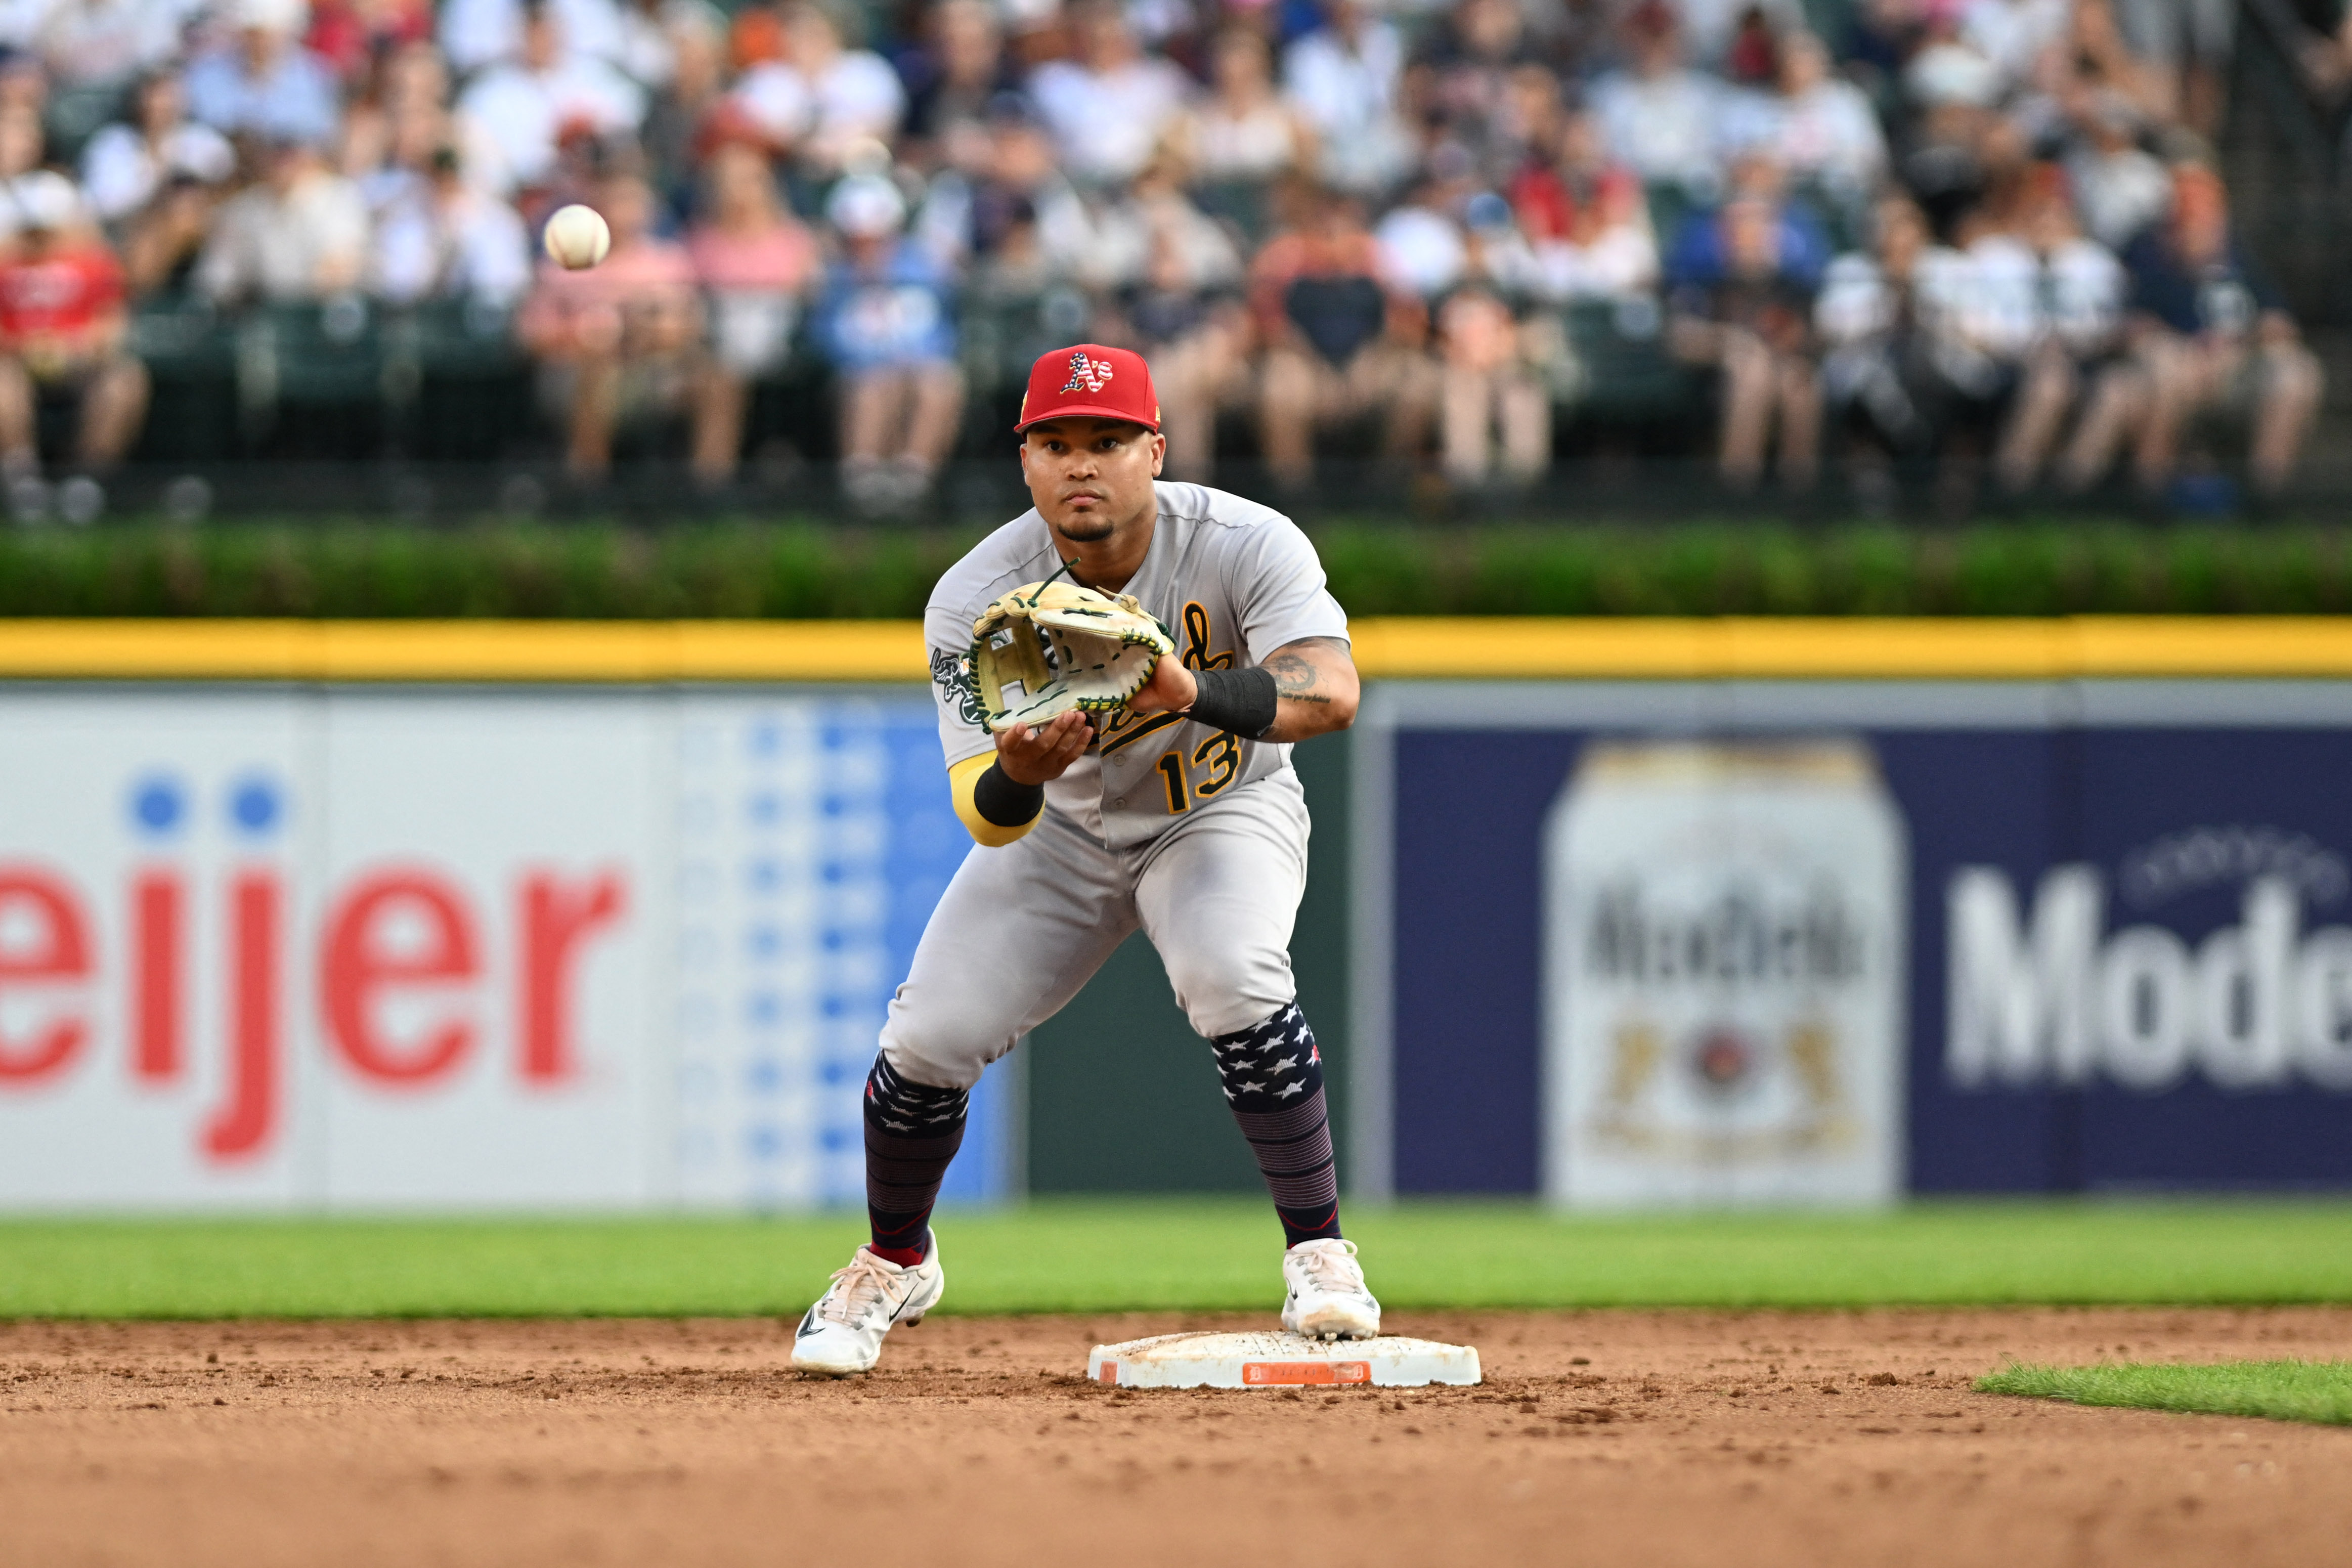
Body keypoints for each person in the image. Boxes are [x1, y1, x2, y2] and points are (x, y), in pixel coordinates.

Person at [788, 341, 1377, 1376]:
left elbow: (1330, 690)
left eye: (1107, 441)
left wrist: (1192, 693)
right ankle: (892, 1259)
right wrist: (1017, 764)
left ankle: (1322, 1252)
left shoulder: (1244, 541)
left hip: (1219, 806)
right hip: (1060, 828)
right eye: (1055, 442)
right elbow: (987, 812)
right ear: (1026, 461)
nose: (1081, 463)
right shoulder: (977, 591)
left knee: (1234, 973)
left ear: (1157, 448)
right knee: (927, 1035)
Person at [2119, 163, 2321, 500]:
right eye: (2188, 220)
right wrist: (2187, 351)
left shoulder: (2241, 263)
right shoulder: (2152, 263)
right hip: (2180, 370)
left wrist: (2237, 347)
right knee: (2163, 367)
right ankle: (2151, 500)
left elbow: (2281, 325)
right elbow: (2133, 328)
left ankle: (2265, 497)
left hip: (2239, 369)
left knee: (2297, 373)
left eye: (2206, 218)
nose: (2198, 229)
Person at [515, 170, 706, 476]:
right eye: (613, 202)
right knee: (597, 370)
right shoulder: (561, 267)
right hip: (574, 374)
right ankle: (588, 484)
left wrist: (639, 332)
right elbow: (532, 335)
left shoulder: (669, 263)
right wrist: (584, 335)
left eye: (631, 202)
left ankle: (707, 491)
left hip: (653, 375)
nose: (622, 212)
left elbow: (687, 327)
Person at [1250, 184, 1440, 489]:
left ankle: (1384, 488)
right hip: (1305, 365)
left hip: (1370, 367)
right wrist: (1319, 371)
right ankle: (1295, 496)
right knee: (1280, 388)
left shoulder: (1379, 259)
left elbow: (1410, 325)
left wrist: (1371, 362)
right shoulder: (1286, 256)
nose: (1335, 229)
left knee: (1419, 383)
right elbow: (1269, 327)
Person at [811, 171, 962, 513]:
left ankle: (914, 479)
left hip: (916, 365)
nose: (868, 247)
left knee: (939, 384)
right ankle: (862, 482)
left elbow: (942, 330)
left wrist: (908, 358)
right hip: (860, 373)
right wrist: (874, 358)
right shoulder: (835, 277)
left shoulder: (921, 268)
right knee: (873, 386)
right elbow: (826, 339)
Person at [0, 172, 148, 518]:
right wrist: (23, 346)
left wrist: (75, 346)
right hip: (16, 361)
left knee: (125, 379)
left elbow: (114, 326)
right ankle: (23, 479)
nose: (40, 238)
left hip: (80, 363)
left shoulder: (94, 265)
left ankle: (87, 481)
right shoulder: (6, 265)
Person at [685, 136, 817, 483]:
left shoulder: (794, 240)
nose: (737, 191)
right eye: (727, 182)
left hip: (779, 341)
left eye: (748, 180)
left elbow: (806, 297)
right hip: (716, 342)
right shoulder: (703, 242)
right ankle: (710, 480)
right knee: (718, 375)